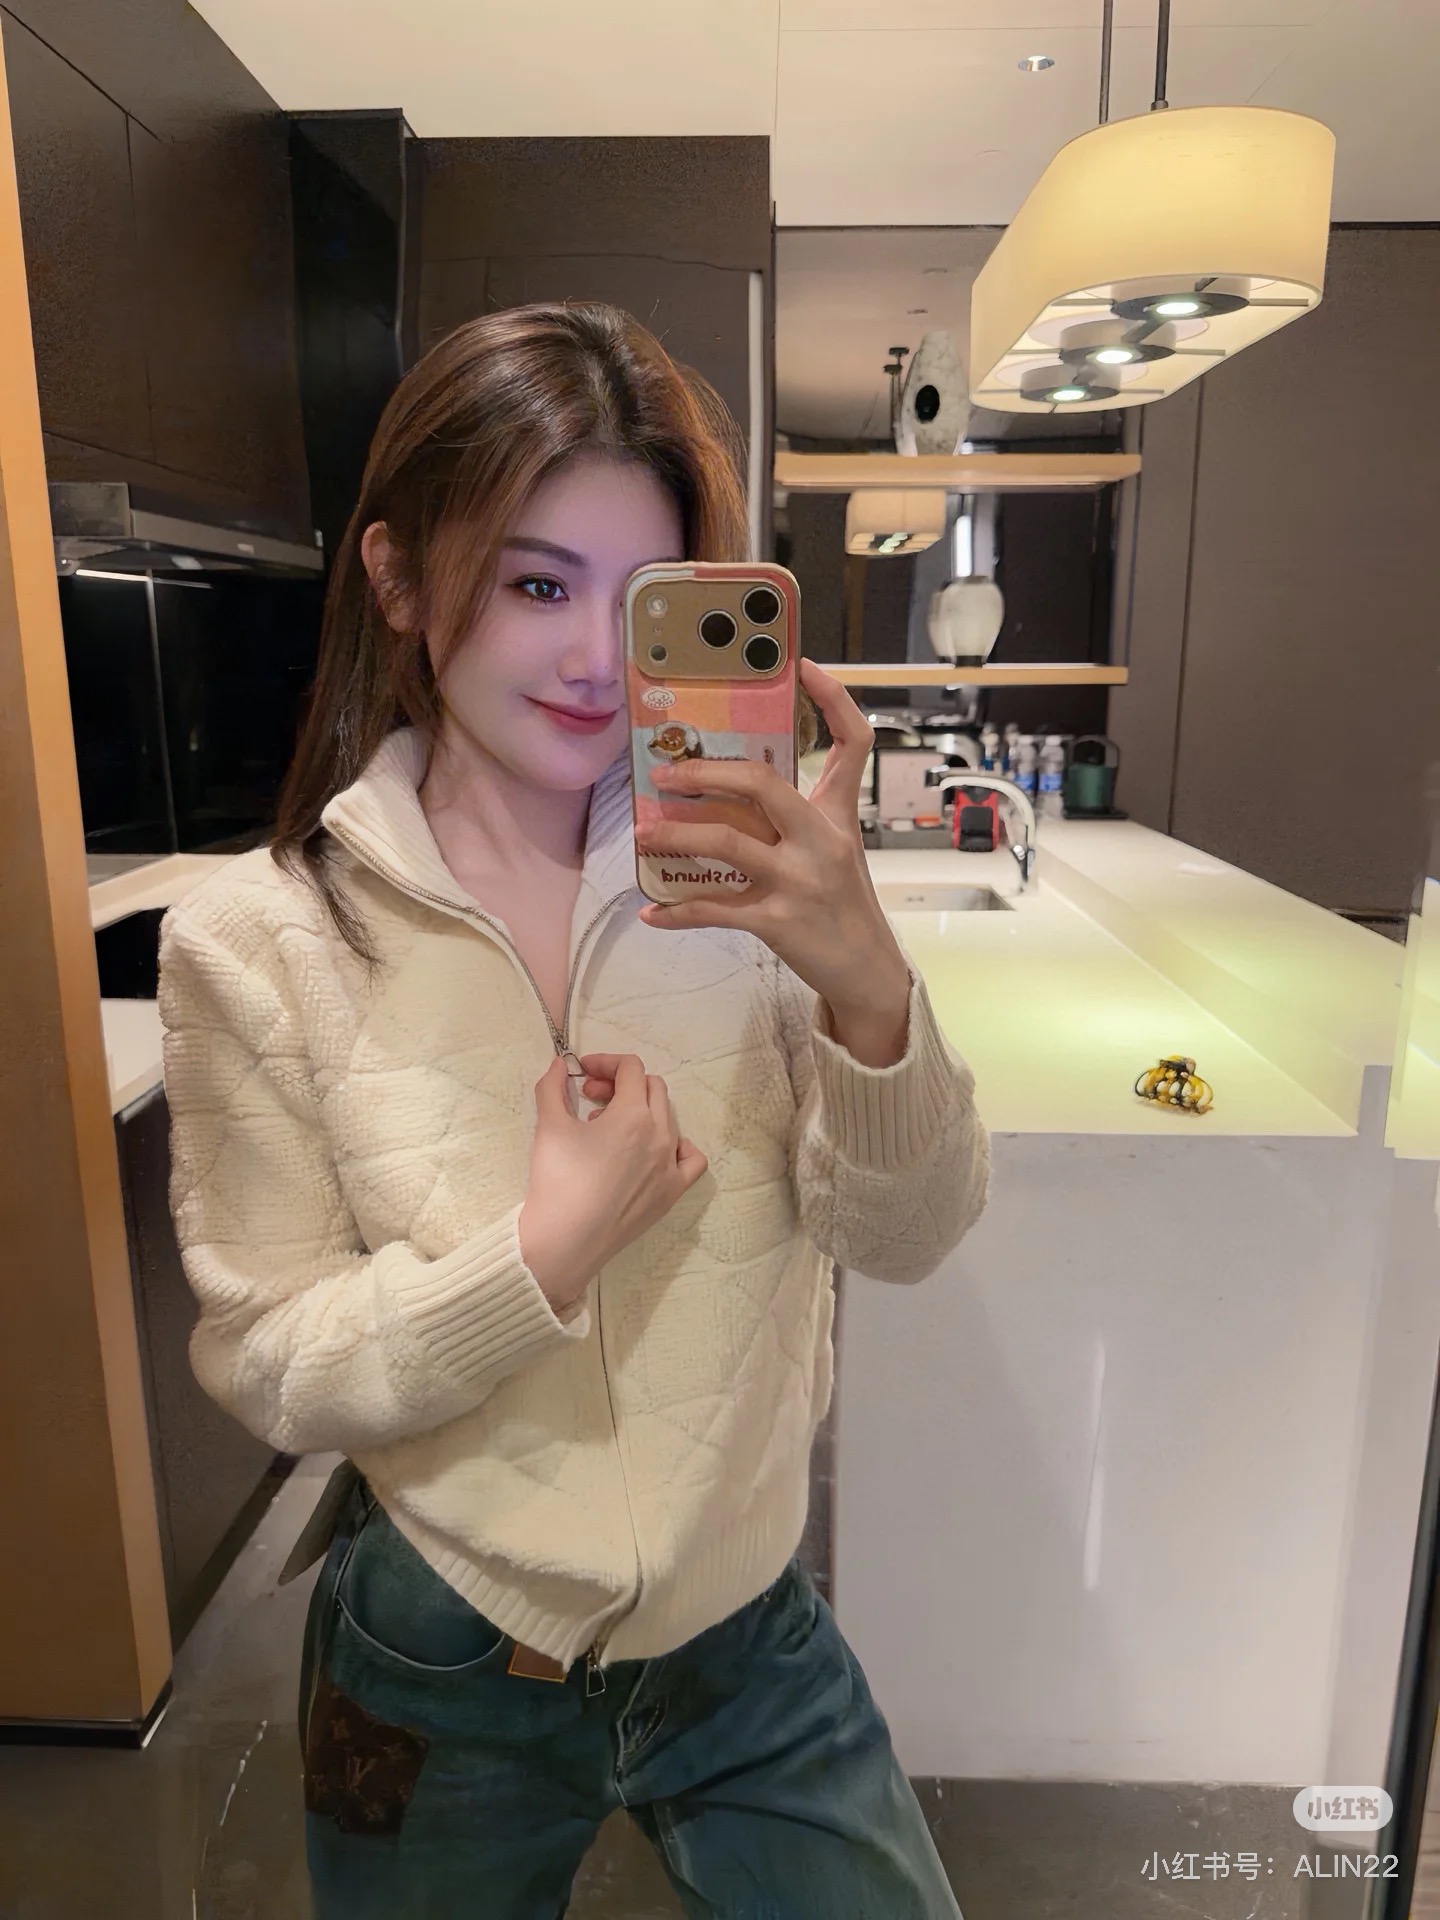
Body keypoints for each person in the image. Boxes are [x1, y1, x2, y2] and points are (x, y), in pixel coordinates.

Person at [158, 300, 990, 1919]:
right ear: (399, 579)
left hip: (748, 1639)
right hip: (441, 1657)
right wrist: (537, 1256)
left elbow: (909, 1236)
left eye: (647, 597)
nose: (603, 660)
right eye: (537, 584)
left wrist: (869, 984)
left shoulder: (752, 886)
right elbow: (269, 1360)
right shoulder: (260, 943)